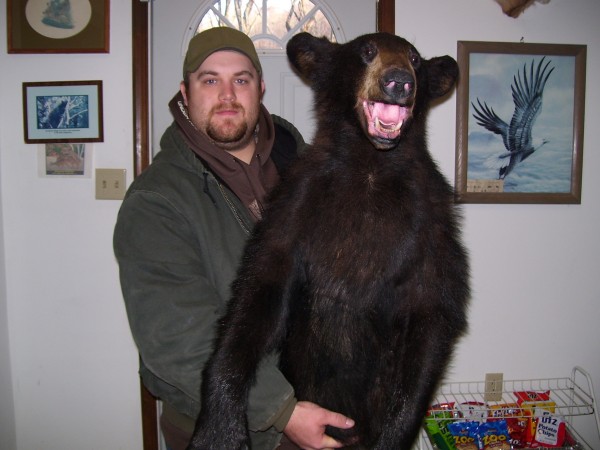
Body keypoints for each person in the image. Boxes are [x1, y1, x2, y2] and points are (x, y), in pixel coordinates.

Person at [113, 27, 354, 450]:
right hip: (226, 426)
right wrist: (280, 411)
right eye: (210, 80)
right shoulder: (156, 201)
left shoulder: (299, 158)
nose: (227, 95)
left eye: (240, 79)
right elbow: (176, 337)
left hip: (319, 400)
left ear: (260, 88)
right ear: (185, 92)